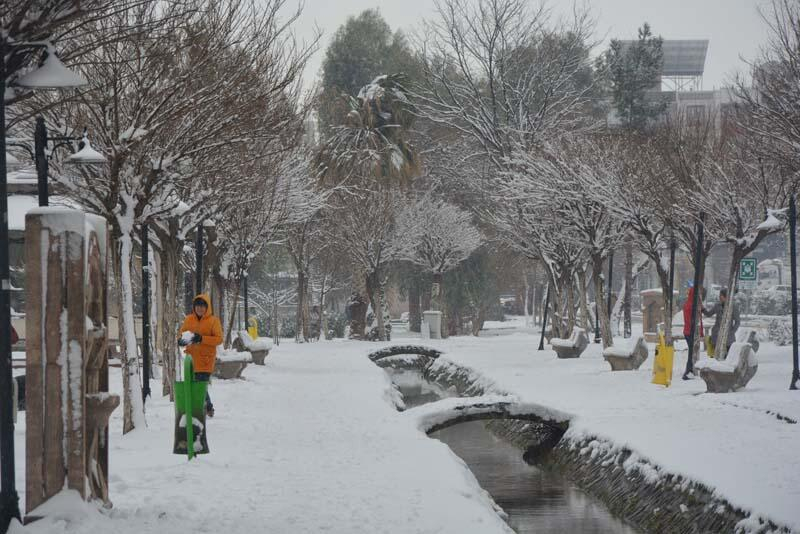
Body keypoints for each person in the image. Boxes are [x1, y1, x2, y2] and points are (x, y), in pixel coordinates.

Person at [178, 294, 223, 417]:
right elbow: (182, 334)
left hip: (206, 359)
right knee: (194, 384)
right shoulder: (189, 319)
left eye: (203, 306)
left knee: (200, 384)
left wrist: (202, 338)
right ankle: (207, 407)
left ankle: (202, 409)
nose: (200, 308)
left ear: (207, 307)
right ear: (194, 307)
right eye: (197, 306)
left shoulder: (213, 321)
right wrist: (181, 341)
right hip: (191, 359)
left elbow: (219, 339)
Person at [703, 287, 740, 356]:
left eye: (721, 296)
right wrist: (703, 309)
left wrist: (732, 332)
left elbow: (737, 322)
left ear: (726, 296)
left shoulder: (733, 306)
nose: (719, 297)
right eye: (719, 296)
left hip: (728, 335)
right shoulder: (717, 305)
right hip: (717, 334)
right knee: (716, 355)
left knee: (728, 355)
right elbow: (709, 314)